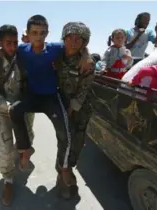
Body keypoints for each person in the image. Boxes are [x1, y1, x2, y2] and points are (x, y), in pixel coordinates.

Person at [8, 14, 93, 198]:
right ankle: (25, 149)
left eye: (42, 33)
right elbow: (6, 51)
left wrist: (86, 55)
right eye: (34, 33)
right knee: (14, 110)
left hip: (51, 98)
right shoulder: (22, 50)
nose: (38, 37)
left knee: (66, 133)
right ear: (28, 34)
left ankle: (64, 170)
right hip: (31, 95)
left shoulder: (56, 49)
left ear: (47, 34)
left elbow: (79, 46)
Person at [0, 25, 35, 206]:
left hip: (23, 109)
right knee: (4, 148)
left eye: (15, 43)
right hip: (2, 111)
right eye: (8, 43)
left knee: (27, 140)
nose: (12, 47)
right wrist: (7, 106)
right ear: (0, 43)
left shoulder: (24, 59)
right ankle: (8, 181)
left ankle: (23, 154)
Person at [56, 22, 94, 199]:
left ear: (84, 43)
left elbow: (84, 89)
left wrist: (74, 106)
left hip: (81, 108)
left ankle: (70, 167)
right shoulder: (56, 56)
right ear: (64, 38)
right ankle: (61, 176)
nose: (73, 41)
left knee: (78, 142)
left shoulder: (87, 62)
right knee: (64, 140)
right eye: (70, 37)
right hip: (61, 106)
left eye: (78, 39)